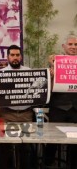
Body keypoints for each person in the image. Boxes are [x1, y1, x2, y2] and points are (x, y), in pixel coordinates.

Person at [0, 45, 34, 169]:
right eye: (12, 55)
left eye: (17, 55)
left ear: (21, 57)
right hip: (6, 114)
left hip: (26, 114)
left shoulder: (29, 71)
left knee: (26, 147)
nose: (15, 58)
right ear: (7, 57)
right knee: (4, 147)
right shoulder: (1, 73)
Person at [45, 33, 77, 168]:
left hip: (75, 109)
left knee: (75, 143)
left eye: (76, 45)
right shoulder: (55, 62)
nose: (73, 47)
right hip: (58, 108)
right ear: (64, 46)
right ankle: (47, 164)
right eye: (70, 44)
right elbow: (48, 88)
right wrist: (52, 75)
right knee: (52, 141)